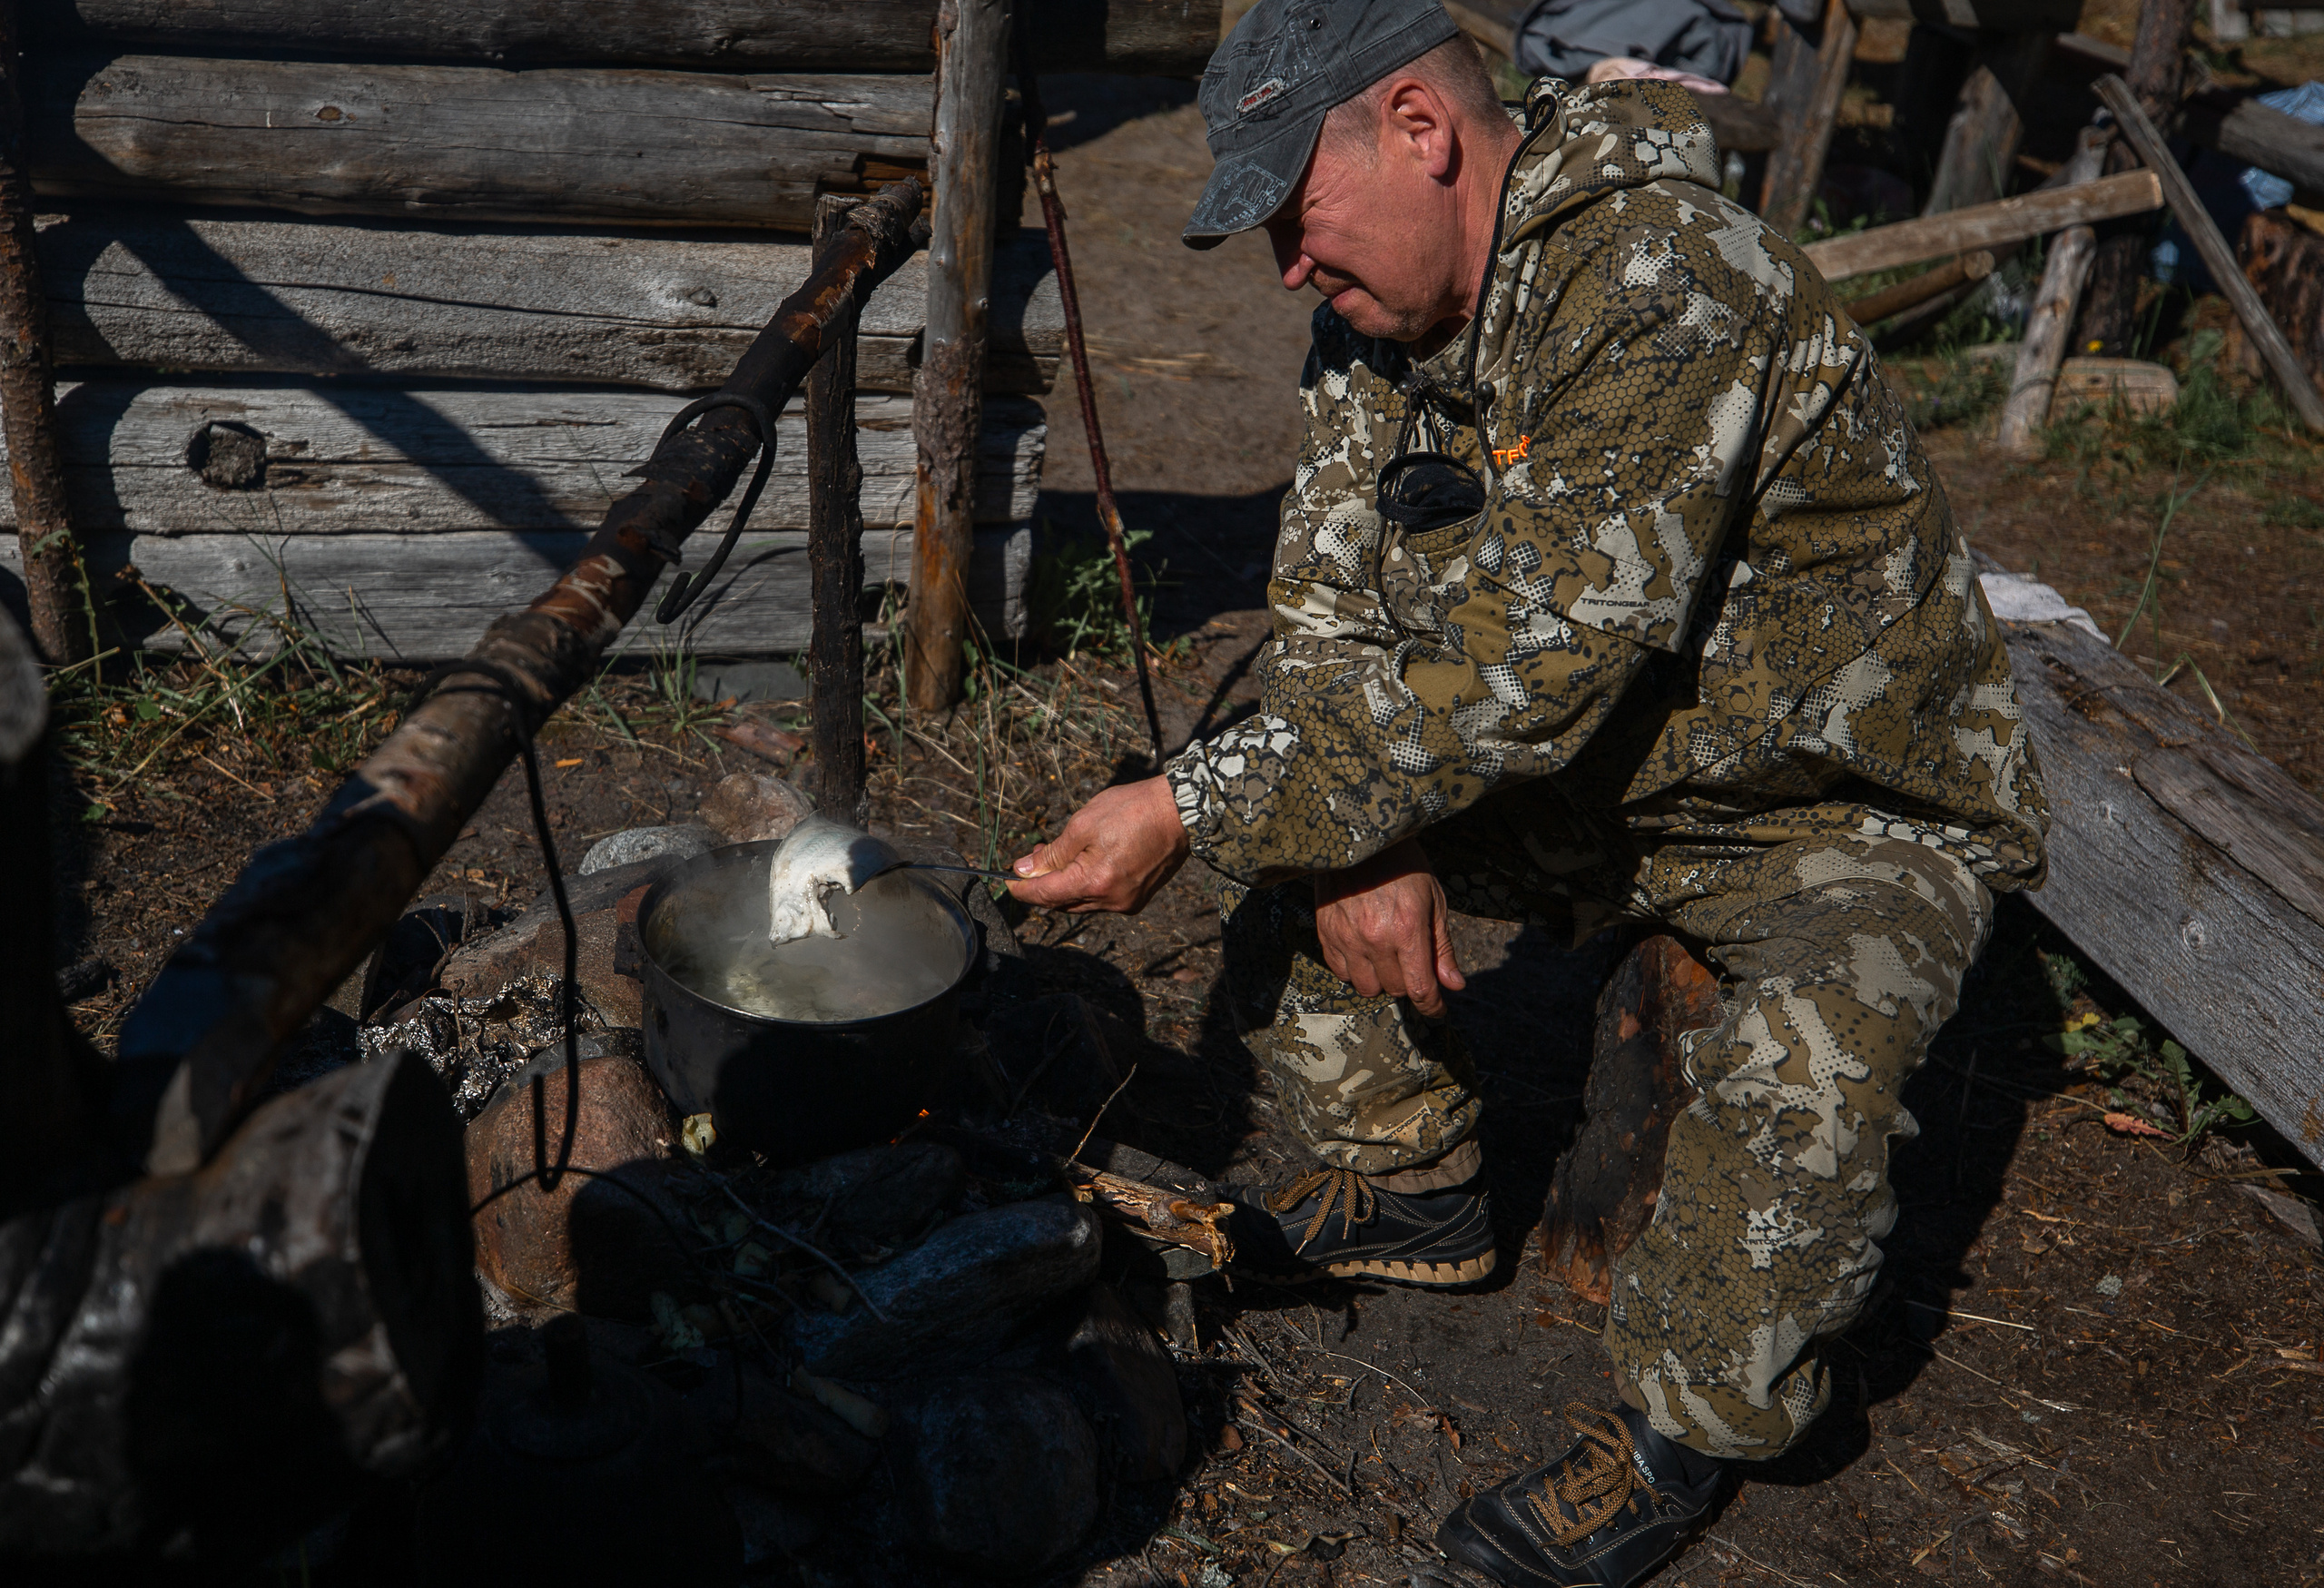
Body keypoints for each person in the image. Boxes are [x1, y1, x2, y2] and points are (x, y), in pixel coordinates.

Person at [1007, 3, 2048, 1583]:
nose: (1291, 267)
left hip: (1825, 804)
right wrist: (1367, 822)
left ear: (1421, 130)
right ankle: (1421, 1190)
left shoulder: (1660, 276)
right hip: (1607, 765)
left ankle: (1680, 1437)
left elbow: (1527, 667)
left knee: (1804, 1076)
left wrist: (1201, 802)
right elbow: (1332, 614)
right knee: (1297, 808)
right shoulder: (1381, 319)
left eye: (1300, 213)